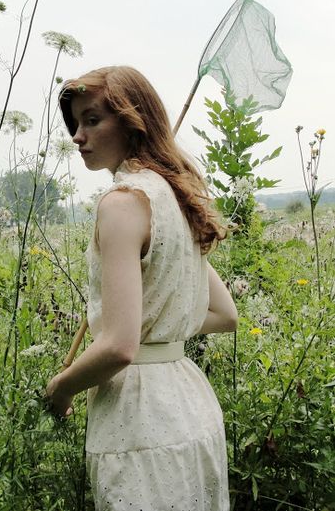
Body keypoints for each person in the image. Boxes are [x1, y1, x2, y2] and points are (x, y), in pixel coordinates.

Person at [46, 66, 238, 511]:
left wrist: (61, 388)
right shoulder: (179, 199)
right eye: (75, 123)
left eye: (92, 120)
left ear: (134, 121)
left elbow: (118, 347)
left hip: (138, 416)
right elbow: (225, 315)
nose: (77, 135)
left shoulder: (122, 204)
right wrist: (157, 326)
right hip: (191, 407)